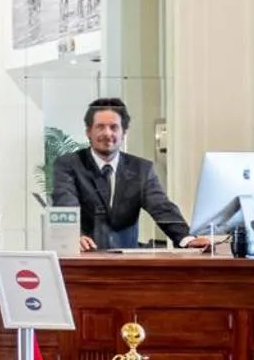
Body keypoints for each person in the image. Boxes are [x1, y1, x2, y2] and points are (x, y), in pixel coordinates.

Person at [50, 98, 210, 252]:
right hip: (82, 258)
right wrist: (73, 236)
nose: (107, 133)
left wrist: (188, 239)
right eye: (100, 127)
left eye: (114, 127)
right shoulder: (68, 165)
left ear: (123, 132)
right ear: (88, 132)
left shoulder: (141, 169)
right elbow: (66, 203)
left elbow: (161, 207)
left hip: (127, 261)